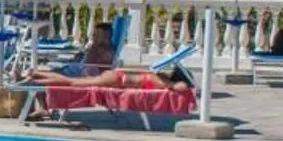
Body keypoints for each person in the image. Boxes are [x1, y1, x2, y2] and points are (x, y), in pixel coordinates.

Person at [24, 62, 193, 92]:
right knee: (70, 82)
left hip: (116, 76)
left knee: (71, 81)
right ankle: (35, 80)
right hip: (116, 80)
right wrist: (189, 83)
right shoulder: (165, 81)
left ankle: (36, 73)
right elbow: (181, 88)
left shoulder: (161, 76)